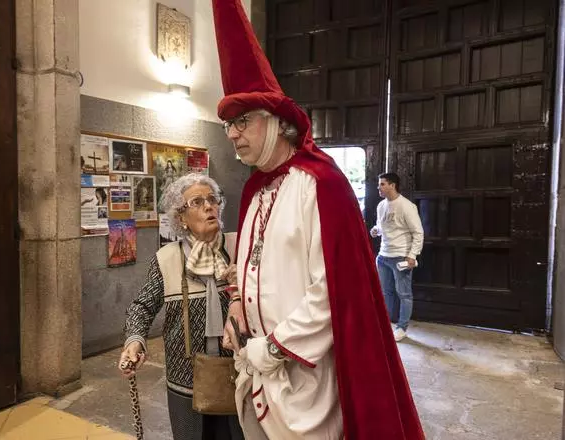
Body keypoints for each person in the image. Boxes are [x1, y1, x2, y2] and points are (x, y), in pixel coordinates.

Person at [210, 0, 425, 438]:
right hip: (255, 371)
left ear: (278, 122)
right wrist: (236, 303)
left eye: (242, 120)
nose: (231, 133)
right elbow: (249, 262)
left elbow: (331, 291)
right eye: (227, 123)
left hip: (305, 379)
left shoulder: (320, 184)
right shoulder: (254, 188)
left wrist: (269, 350)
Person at [118, 173, 244, 440]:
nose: (209, 206)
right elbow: (142, 305)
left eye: (212, 199)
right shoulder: (166, 258)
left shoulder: (239, 248)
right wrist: (135, 340)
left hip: (240, 373)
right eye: (197, 202)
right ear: (181, 218)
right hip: (186, 379)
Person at [370, 172, 424, 342]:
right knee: (385, 292)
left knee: (404, 294)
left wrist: (412, 255)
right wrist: (376, 230)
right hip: (383, 255)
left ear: (392, 185)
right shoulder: (381, 206)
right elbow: (381, 225)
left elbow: (418, 232)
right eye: (379, 184)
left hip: (401, 256)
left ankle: (402, 328)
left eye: (382, 184)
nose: (379, 187)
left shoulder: (407, 206)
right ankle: (385, 326)